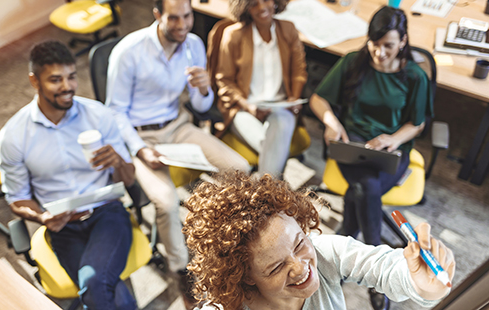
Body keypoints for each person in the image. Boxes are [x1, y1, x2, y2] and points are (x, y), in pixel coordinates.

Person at [105, 0, 250, 302]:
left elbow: (199, 107)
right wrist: (140, 149)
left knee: (240, 168)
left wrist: (203, 89)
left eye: (187, 16)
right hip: (141, 135)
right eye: (174, 18)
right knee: (167, 203)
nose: (182, 24)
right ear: (157, 14)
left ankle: (224, 240)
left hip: (178, 125)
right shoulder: (129, 52)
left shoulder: (193, 44)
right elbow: (115, 112)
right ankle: (181, 270)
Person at [0, 41, 137, 310]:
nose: (67, 87)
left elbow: (128, 180)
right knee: (110, 293)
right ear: (34, 81)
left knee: (95, 283)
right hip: (62, 227)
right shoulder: (13, 136)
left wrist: (119, 162)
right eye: (55, 80)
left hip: (106, 213)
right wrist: (41, 217)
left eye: (72, 77)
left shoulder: (98, 115)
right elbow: (17, 199)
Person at [183, 171, 455, 310]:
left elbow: (386, 268)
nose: (301, 268)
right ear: (245, 276)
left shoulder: (326, 253)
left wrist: (423, 285)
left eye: (300, 244)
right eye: (276, 267)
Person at [310, 2, 430, 279]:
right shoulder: (354, 61)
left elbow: (418, 122)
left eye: (388, 45)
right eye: (374, 43)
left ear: (403, 41)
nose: (379, 52)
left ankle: (347, 235)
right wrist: (331, 122)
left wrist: (394, 138)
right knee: (367, 186)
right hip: (352, 143)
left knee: (363, 191)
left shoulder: (415, 76)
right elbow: (318, 98)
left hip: (391, 149)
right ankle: (377, 263)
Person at [215, 0, 307, 177]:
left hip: (280, 107)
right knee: (275, 146)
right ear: (245, 7)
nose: (262, 7)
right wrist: (248, 106)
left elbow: (299, 71)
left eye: (266, 0)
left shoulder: (288, 30)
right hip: (243, 108)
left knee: (280, 129)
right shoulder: (233, 35)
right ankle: (272, 192)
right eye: (254, 3)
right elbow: (224, 81)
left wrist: (294, 98)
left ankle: (262, 192)